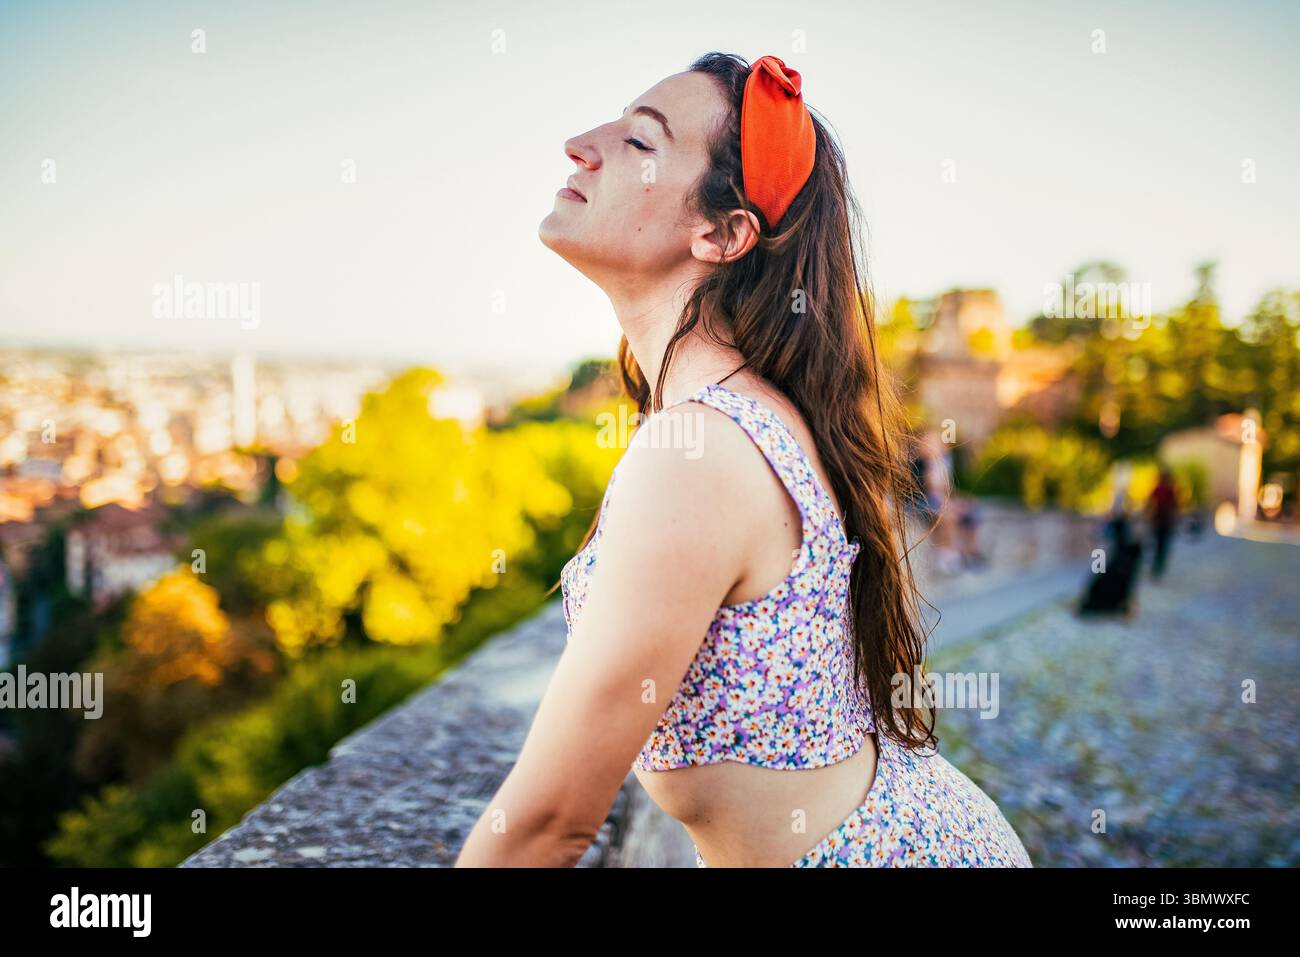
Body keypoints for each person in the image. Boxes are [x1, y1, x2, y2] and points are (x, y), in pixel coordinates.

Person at [455, 53, 1030, 868]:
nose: (581, 145)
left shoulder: (700, 455)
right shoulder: (752, 417)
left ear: (723, 233)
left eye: (639, 142)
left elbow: (549, 822)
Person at [1146, 469, 1179, 579]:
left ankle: (1156, 567)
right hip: (1163, 522)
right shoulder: (1169, 490)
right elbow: (1175, 507)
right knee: (1162, 545)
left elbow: (1149, 503)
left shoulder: (1162, 489)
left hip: (1159, 521)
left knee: (1159, 545)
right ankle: (1158, 566)